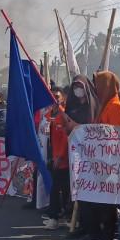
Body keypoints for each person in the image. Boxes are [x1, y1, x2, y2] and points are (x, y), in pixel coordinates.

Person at [78, 71, 120, 240]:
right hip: (97, 161)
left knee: (106, 204)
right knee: (91, 200)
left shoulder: (115, 106)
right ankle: (95, 236)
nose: (96, 88)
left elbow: (116, 135)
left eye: (98, 84)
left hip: (108, 162)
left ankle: (107, 239)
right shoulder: (104, 105)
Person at [63, 75, 100, 240]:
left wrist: (76, 126)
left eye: (80, 86)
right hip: (75, 152)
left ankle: (90, 229)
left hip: (91, 154)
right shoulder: (72, 105)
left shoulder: (94, 106)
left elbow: (95, 130)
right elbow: (67, 127)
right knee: (77, 190)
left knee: (88, 191)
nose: (78, 89)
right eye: (75, 86)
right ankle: (81, 224)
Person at [44, 87, 71, 230]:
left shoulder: (64, 115)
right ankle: (57, 215)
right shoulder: (47, 115)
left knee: (61, 188)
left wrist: (60, 156)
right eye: (52, 96)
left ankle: (57, 217)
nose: (54, 99)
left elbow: (66, 139)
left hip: (62, 160)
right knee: (55, 187)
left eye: (57, 96)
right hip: (50, 156)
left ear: (62, 98)